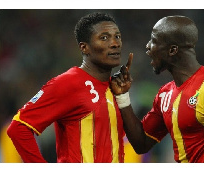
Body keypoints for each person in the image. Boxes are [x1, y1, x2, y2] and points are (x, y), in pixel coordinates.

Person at [110, 15, 204, 163]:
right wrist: (123, 97)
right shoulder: (165, 95)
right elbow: (141, 143)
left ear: (172, 50)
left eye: (154, 41)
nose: (148, 46)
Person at [7, 12, 126, 163]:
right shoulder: (69, 82)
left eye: (118, 36)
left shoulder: (116, 87)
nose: (115, 43)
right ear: (85, 48)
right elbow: (18, 128)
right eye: (104, 38)